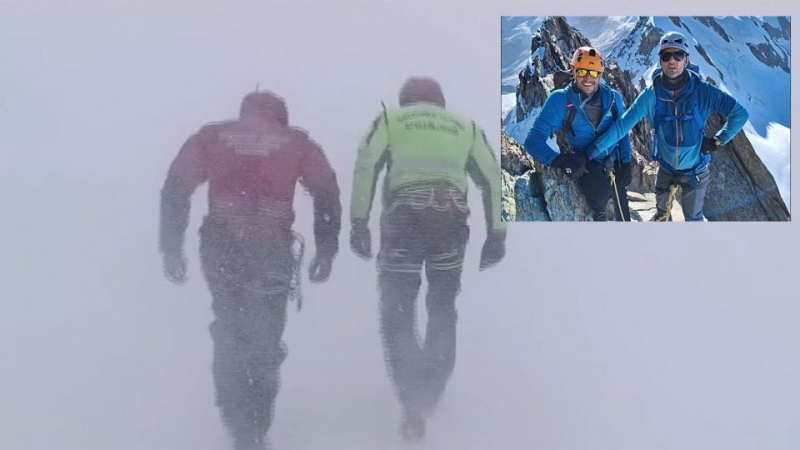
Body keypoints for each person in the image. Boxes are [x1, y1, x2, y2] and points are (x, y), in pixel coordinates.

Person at [159, 90, 341, 450]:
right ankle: (257, 425)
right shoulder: (296, 142)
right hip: (271, 248)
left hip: (222, 245)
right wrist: (327, 248)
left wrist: (171, 247)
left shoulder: (211, 137)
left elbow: (176, 187)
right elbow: (326, 191)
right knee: (265, 337)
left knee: (228, 329)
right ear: (281, 116)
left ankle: (235, 421)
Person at [349, 76, 506, 442]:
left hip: (403, 223)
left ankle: (411, 404)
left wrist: (359, 223)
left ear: (406, 100)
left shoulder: (391, 120)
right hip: (449, 223)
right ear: (441, 102)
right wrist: (497, 235)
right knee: (441, 307)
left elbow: (366, 163)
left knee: (398, 311)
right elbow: (493, 180)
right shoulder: (465, 127)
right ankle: (431, 389)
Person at [588, 31, 749, 221]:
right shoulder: (651, 95)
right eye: (666, 56)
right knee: (662, 217)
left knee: (693, 220)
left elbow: (740, 114)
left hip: (695, 170)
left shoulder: (703, 91)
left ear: (686, 59)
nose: (672, 60)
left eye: (678, 55)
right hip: (665, 168)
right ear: (660, 60)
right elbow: (622, 126)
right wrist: (590, 152)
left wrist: (717, 141)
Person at [523, 46, 632, 221]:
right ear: (573, 71)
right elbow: (532, 141)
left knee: (623, 217)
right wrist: (560, 161)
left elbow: (623, 131)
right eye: (582, 72)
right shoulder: (560, 100)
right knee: (600, 194)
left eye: (594, 73)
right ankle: (600, 215)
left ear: (601, 74)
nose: (588, 78)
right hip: (583, 161)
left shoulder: (613, 98)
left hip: (614, 160)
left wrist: (626, 162)